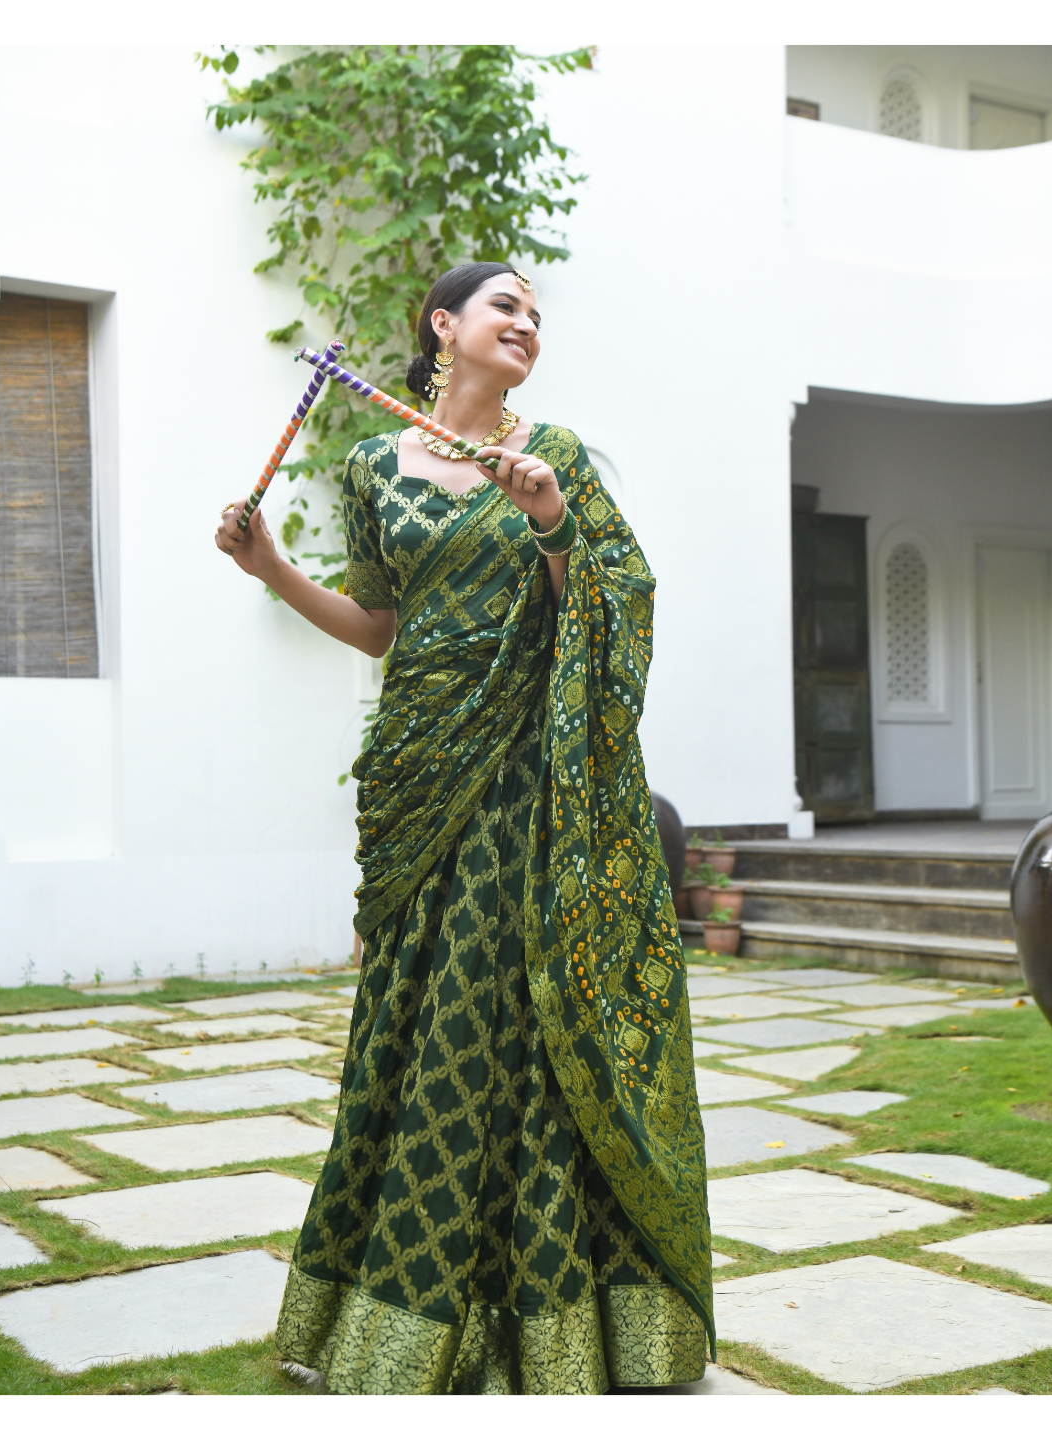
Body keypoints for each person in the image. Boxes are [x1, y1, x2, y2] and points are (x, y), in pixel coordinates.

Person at [215, 261, 713, 1396]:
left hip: (525, 783)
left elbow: (614, 595)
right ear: (444, 327)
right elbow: (382, 627)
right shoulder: (368, 465)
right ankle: (390, 1313)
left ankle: (553, 1325)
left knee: (509, 1026)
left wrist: (549, 526)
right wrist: (270, 567)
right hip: (415, 775)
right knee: (412, 1024)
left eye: (538, 315)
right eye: (507, 306)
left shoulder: (558, 460)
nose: (527, 324)